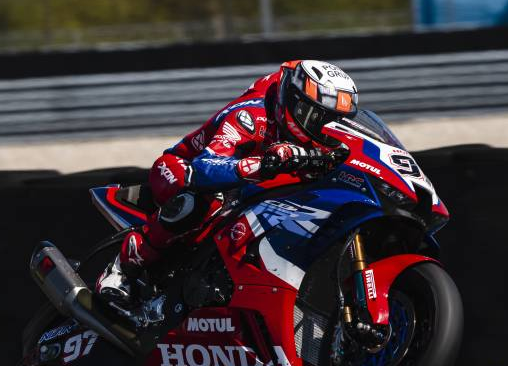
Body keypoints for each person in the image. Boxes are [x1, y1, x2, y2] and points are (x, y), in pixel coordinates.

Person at [97, 59, 359, 306]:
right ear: (295, 102)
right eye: (318, 118)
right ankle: (123, 268)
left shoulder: (315, 137)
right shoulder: (251, 115)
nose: (326, 129)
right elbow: (204, 168)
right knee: (205, 199)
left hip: (242, 188)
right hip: (180, 167)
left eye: (335, 121)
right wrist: (263, 164)